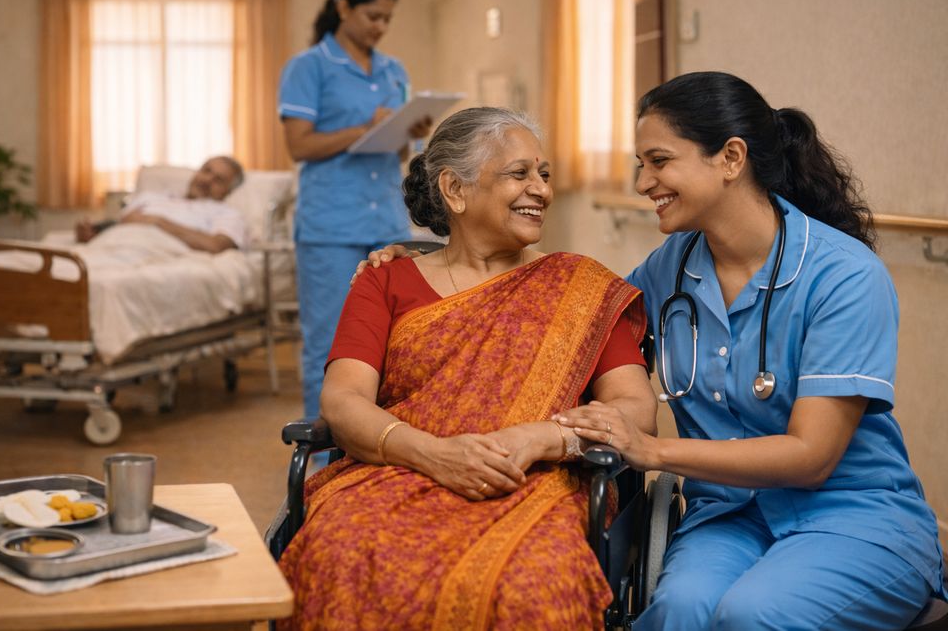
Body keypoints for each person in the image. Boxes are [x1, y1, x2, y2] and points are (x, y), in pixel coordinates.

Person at [362, 74, 947, 630]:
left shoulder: (842, 275)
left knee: (752, 617)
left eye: (660, 162)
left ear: (731, 159)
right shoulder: (669, 271)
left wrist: (650, 449)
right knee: (677, 616)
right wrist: (426, 256)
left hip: (851, 515)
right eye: (641, 165)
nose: (643, 183)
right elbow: (558, 308)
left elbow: (812, 455)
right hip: (730, 517)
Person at [277, 107, 658, 629]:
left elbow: (636, 409)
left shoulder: (581, 286)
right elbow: (343, 401)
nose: (542, 191)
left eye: (544, 175)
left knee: (533, 579)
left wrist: (541, 439)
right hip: (396, 471)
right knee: (338, 549)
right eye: (519, 174)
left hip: (536, 482)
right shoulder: (385, 281)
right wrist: (435, 455)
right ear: (455, 190)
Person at [277, 0, 433, 424]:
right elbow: (299, 145)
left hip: (386, 219)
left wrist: (410, 129)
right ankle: (320, 461)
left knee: (398, 340)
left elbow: (401, 149)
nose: (379, 27)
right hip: (330, 227)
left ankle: (379, 443)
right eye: (372, 16)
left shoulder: (393, 70)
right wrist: (365, 128)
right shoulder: (308, 67)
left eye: (387, 19)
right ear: (343, 7)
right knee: (328, 345)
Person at [75, 155, 247, 253]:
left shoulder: (226, 214)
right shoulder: (152, 198)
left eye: (219, 179)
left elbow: (216, 246)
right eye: (206, 170)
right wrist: (92, 233)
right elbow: (121, 224)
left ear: (228, 191)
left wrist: (158, 222)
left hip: (151, 254)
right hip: (110, 247)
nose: (207, 180)